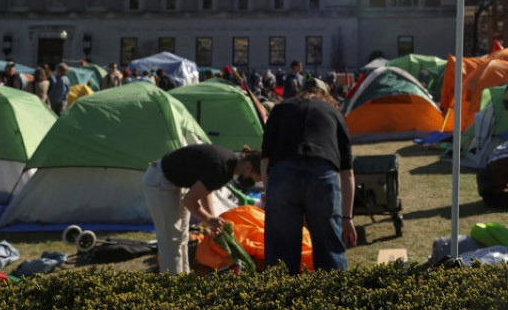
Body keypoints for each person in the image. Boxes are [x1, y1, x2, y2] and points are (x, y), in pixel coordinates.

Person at [262, 80, 355, 274]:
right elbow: (347, 174)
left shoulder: (280, 109)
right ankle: (334, 300)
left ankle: (281, 300)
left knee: (281, 255)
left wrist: (270, 196)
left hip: (282, 175)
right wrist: (347, 218)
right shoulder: (334, 113)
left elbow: (265, 161)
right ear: (325, 95)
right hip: (322, 175)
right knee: (329, 251)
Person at [142, 144, 261, 275]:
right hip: (160, 181)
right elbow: (189, 200)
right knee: (171, 240)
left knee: (181, 237)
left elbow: (206, 191)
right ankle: (172, 284)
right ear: (248, 167)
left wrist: (213, 219)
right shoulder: (222, 167)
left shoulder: (228, 164)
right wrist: (208, 219)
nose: (251, 183)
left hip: (177, 184)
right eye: (253, 179)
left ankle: (183, 279)